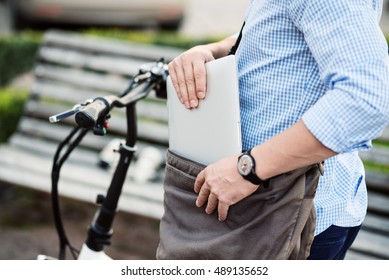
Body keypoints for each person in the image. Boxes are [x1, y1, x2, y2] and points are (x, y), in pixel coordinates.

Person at [167, 0, 389, 260]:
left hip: (289, 215)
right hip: (269, 208)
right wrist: (213, 50)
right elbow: (282, 37)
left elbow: (366, 101)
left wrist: (249, 169)